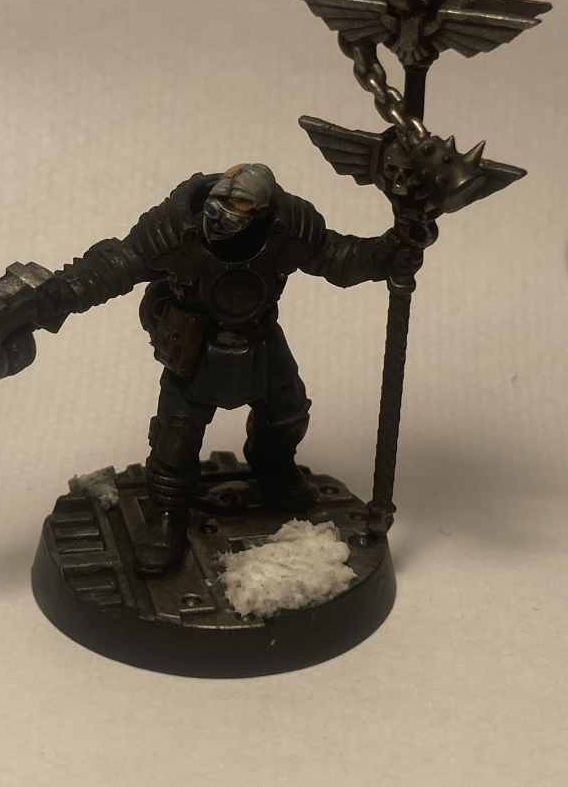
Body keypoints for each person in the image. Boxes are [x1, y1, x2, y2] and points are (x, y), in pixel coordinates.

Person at [42, 162, 416, 577]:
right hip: (196, 346)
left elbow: (339, 258)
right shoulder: (173, 232)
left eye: (232, 219)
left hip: (261, 341)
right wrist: (56, 296)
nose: (218, 224)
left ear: (259, 215)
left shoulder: (289, 228)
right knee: (176, 436)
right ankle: (167, 515)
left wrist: (390, 251)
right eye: (213, 212)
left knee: (287, 414)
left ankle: (273, 468)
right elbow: (114, 266)